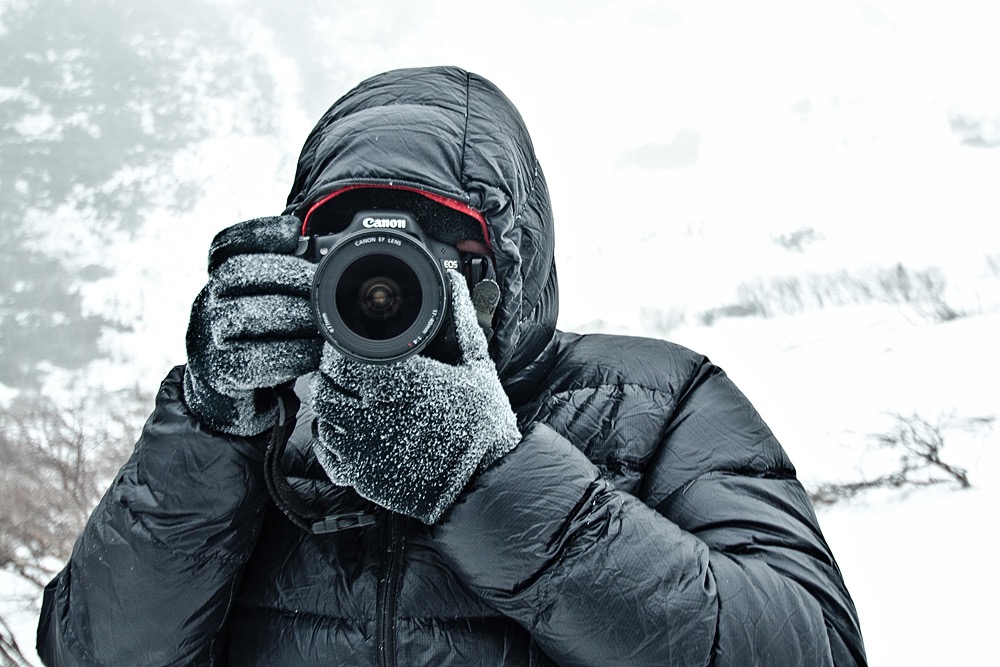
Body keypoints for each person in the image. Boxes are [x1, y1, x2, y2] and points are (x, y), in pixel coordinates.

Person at [36, 66, 866, 666]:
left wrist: (489, 477)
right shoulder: (260, 431)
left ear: (513, 258)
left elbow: (812, 649)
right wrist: (210, 430)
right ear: (300, 257)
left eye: (441, 247)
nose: (386, 285)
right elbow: (94, 653)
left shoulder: (658, 402)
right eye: (351, 247)